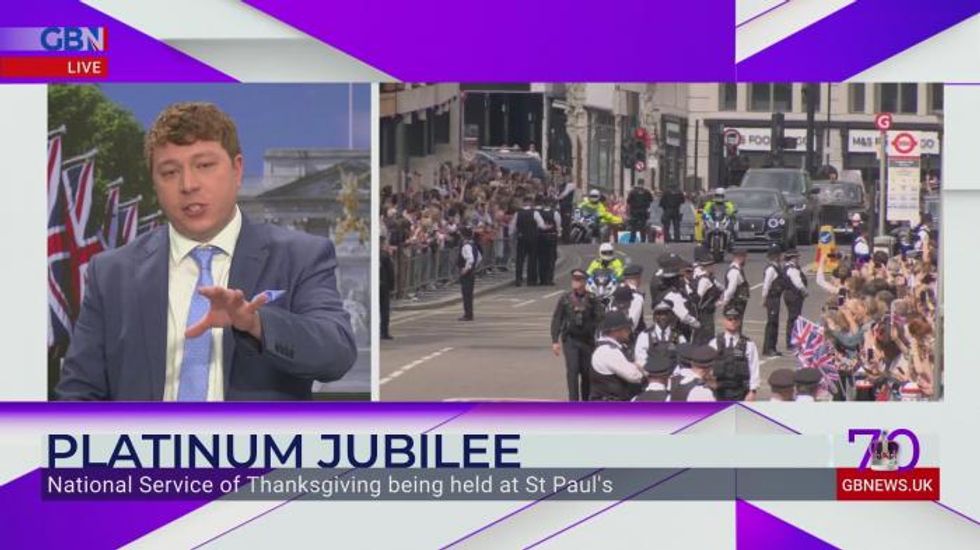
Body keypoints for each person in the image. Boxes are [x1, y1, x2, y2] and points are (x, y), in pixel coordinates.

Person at [56, 102, 356, 401]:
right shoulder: (111, 273)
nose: (188, 185)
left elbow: (337, 353)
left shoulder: (300, 256)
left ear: (237, 169)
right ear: (154, 183)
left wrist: (255, 324)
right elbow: (77, 393)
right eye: (169, 172)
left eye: (204, 166)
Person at [551, 269, 605, 401]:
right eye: (574, 280)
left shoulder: (592, 299)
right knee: (573, 371)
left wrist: (600, 338)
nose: (575, 282)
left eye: (579, 280)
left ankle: (586, 401)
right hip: (571, 340)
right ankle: (573, 402)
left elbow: (600, 319)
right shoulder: (565, 299)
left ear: (585, 282)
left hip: (587, 341)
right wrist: (555, 340)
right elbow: (557, 319)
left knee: (586, 373)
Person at [589, 311, 646, 401]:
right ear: (615, 331)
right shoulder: (608, 351)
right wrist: (643, 371)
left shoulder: (611, 348)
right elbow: (634, 376)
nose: (629, 331)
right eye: (626, 328)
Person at [709, 307, 761, 401]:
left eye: (736, 319)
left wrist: (752, 391)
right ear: (724, 321)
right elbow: (707, 366)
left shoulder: (749, 344)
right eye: (729, 319)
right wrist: (709, 383)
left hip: (741, 391)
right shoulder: (714, 343)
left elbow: (754, 368)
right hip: (718, 391)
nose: (733, 322)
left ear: (740, 321)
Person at [634, 300, 687, 372]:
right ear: (654, 316)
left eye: (666, 314)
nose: (663, 317)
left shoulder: (679, 336)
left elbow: (684, 357)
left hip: (674, 374)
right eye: (659, 314)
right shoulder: (645, 335)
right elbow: (640, 359)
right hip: (652, 374)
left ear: (671, 315)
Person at [692, 248, 723, 345]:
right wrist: (714, 304)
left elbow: (721, 288)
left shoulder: (709, 278)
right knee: (705, 337)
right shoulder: (704, 281)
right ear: (708, 266)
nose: (714, 268)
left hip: (708, 313)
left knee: (707, 336)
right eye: (712, 266)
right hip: (704, 315)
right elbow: (698, 298)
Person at [510, 194, 542, 286]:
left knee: (520, 259)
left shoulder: (518, 213)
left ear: (523, 203)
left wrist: (511, 235)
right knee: (532, 259)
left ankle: (518, 279)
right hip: (532, 238)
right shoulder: (535, 213)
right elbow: (541, 225)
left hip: (521, 238)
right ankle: (531, 280)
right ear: (531, 203)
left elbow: (512, 227)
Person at [760, 243, 785, 356]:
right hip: (772, 298)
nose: (782, 256)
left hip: (776, 298)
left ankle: (773, 347)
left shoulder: (777, 267)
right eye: (780, 254)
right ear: (776, 256)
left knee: (775, 322)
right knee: (771, 323)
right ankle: (768, 348)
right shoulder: (771, 269)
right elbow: (766, 284)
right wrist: (764, 298)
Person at [782, 247, 808, 352]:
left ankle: (792, 341)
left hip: (789, 295)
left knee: (792, 318)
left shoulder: (787, 267)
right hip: (794, 296)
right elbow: (798, 283)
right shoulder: (792, 269)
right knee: (794, 319)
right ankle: (792, 342)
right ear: (793, 258)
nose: (798, 259)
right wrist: (805, 291)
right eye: (797, 257)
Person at [718, 248, 750, 320]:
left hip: (737, 303)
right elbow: (731, 289)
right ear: (740, 257)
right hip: (734, 303)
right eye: (745, 257)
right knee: (734, 323)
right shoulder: (734, 271)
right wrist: (725, 301)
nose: (746, 260)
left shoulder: (737, 269)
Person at [458, 226, 481, 321]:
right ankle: (469, 313)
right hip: (472, 272)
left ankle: (468, 314)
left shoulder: (466, 245)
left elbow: (470, 259)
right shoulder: (472, 244)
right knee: (469, 294)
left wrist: (466, 269)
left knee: (466, 294)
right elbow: (479, 258)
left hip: (467, 273)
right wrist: (475, 266)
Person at [536, 196, 561, 285]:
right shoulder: (555, 213)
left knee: (541, 259)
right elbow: (558, 226)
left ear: (543, 204)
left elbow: (538, 225)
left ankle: (542, 279)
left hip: (541, 237)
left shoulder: (538, 213)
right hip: (551, 237)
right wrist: (558, 234)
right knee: (551, 258)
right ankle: (549, 279)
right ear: (550, 204)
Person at [619, 264, 646, 334]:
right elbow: (633, 323)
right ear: (638, 279)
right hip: (628, 336)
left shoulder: (615, 292)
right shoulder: (637, 297)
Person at [380, 236, 394, 340]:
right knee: (384, 310)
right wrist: (392, 286)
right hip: (383, 285)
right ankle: (384, 332)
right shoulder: (385, 255)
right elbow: (390, 272)